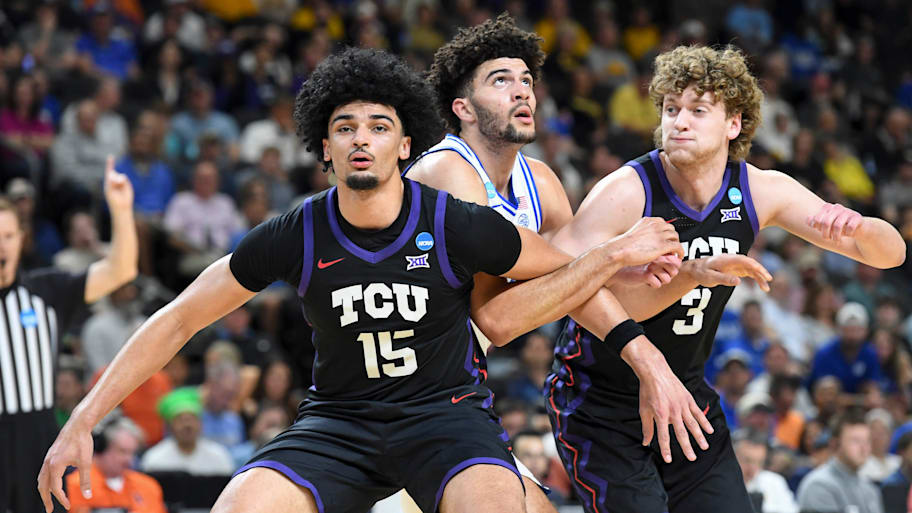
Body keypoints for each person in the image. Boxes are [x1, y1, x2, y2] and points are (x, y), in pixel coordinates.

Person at [38, 47, 682, 513]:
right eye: (344, 128)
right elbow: (179, 316)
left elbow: (567, 277)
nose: (360, 141)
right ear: (324, 149)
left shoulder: (456, 222)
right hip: (338, 423)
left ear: (406, 145)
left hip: (446, 417)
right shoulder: (297, 232)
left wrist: (632, 304)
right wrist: (84, 419)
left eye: (379, 126)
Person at [545, 45, 905, 513]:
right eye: (671, 109)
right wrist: (687, 280)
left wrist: (862, 228)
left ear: (733, 124)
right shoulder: (626, 191)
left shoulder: (760, 189)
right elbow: (565, 291)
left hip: (686, 392)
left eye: (697, 110)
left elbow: (889, 255)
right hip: (600, 397)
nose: (679, 121)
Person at [405, 15, 724, 512]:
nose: (522, 92)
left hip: (455, 394)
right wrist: (615, 258)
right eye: (501, 80)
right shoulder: (447, 172)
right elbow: (499, 319)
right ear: (462, 108)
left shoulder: (540, 181)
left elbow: (575, 285)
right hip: (398, 396)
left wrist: (657, 302)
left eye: (527, 80)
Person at [0, 156, 137, 513]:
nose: (2, 246)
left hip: (39, 437)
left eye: (9, 236)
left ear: (21, 239)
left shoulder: (47, 290)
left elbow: (120, 269)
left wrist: (121, 211)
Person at [64, 417, 167, 513]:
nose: (128, 459)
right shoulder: (74, 486)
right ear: (100, 448)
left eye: (132, 453)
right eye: (122, 451)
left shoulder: (148, 486)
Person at [796, 411, 884, 513]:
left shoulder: (870, 488)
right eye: (855, 441)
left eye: (867, 441)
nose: (864, 448)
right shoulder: (819, 485)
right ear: (834, 444)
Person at [732, 429, 798, 513]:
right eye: (747, 460)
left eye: (759, 462)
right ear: (732, 457)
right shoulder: (718, 483)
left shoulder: (775, 482)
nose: (752, 468)